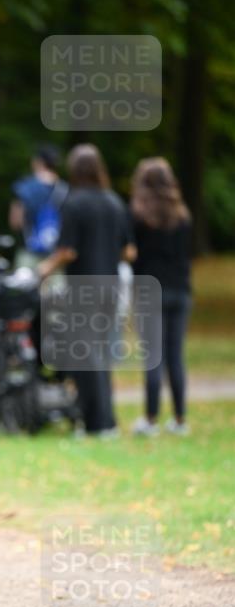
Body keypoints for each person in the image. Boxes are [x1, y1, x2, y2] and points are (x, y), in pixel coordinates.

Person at [38, 144, 136, 436]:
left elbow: (67, 250)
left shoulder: (74, 203)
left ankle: (96, 423)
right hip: (111, 286)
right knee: (102, 352)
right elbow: (129, 251)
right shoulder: (115, 202)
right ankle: (107, 420)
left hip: (83, 287)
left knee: (83, 354)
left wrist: (45, 268)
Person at [129, 158, 192, 437]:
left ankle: (151, 418)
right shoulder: (182, 215)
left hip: (149, 291)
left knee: (153, 357)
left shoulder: (138, 216)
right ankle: (179, 419)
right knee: (175, 356)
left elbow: (133, 257)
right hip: (181, 290)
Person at [9, 144, 69, 266]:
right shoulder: (67, 190)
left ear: (38, 161)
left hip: (28, 253)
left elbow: (15, 223)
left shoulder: (24, 187)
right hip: (55, 258)